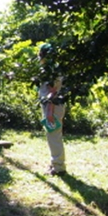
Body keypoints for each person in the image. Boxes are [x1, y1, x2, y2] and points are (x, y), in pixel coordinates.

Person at [37, 43, 67, 176]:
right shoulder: (57, 68)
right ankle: (55, 163)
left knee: (54, 136)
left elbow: (52, 92)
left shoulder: (50, 70)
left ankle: (58, 166)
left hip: (52, 106)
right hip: (55, 105)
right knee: (54, 136)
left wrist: (49, 111)